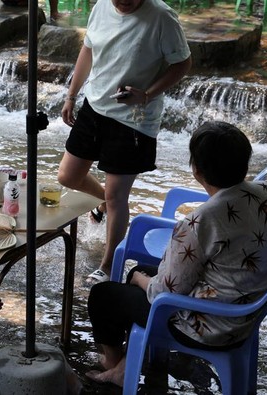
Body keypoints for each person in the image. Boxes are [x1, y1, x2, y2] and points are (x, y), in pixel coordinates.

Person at [84, 121, 267, 387]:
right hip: (248, 310)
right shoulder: (266, 192)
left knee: (104, 294)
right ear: (245, 164)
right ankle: (128, 362)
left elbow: (161, 294)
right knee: (137, 270)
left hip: (208, 325)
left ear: (196, 170)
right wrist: (141, 277)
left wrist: (141, 282)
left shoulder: (200, 222)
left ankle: (115, 364)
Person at [58, 0, 192, 283]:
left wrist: (146, 94)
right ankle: (104, 202)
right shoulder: (102, 7)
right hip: (95, 106)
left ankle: (108, 267)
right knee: (68, 176)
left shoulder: (162, 17)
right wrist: (72, 95)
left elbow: (182, 63)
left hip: (133, 118)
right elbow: (89, 49)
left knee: (117, 196)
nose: (123, 2)